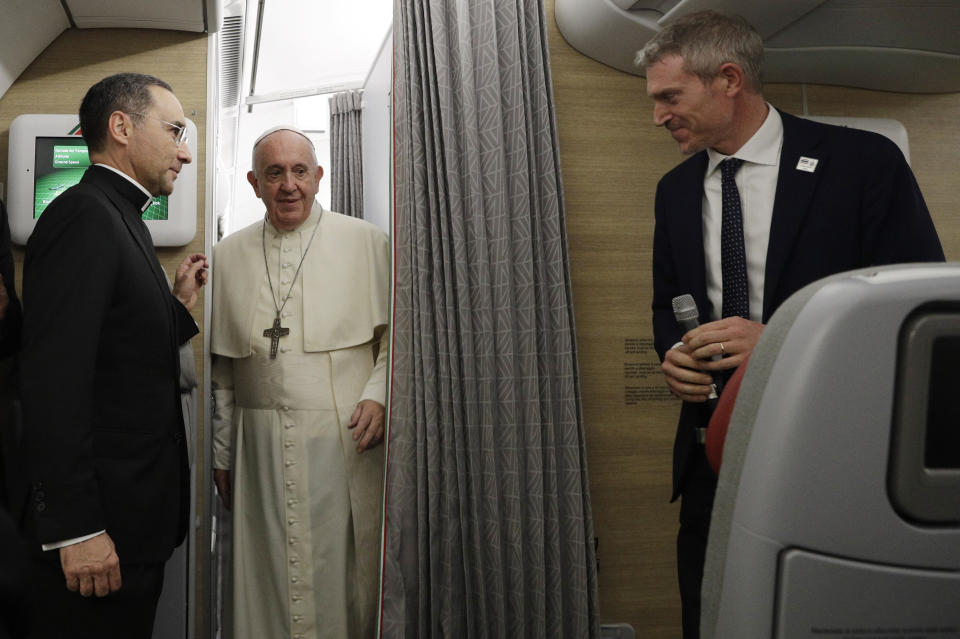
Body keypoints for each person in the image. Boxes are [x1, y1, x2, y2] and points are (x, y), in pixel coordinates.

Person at [635, 11, 944, 637]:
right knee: (710, 607)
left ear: (728, 79)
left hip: (834, 443)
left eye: (671, 97)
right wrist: (671, 354)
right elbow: (667, 303)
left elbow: (915, 314)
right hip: (710, 449)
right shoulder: (673, 191)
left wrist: (779, 342)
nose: (659, 115)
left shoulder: (862, 163)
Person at [19, 72, 207, 638]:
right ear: (120, 127)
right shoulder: (85, 216)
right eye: (174, 129)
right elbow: (55, 380)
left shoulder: (122, 216)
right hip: (100, 530)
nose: (186, 152)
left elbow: (117, 350)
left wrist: (175, 305)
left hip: (132, 522)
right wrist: (75, 528)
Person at [211, 126, 389, 639]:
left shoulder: (366, 241)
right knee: (264, 572)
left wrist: (377, 395)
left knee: (342, 575)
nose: (289, 185)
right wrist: (223, 454)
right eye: (274, 173)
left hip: (342, 440)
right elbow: (224, 372)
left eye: (299, 172)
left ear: (319, 177)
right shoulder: (229, 254)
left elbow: (397, 338)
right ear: (253, 183)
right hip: (258, 448)